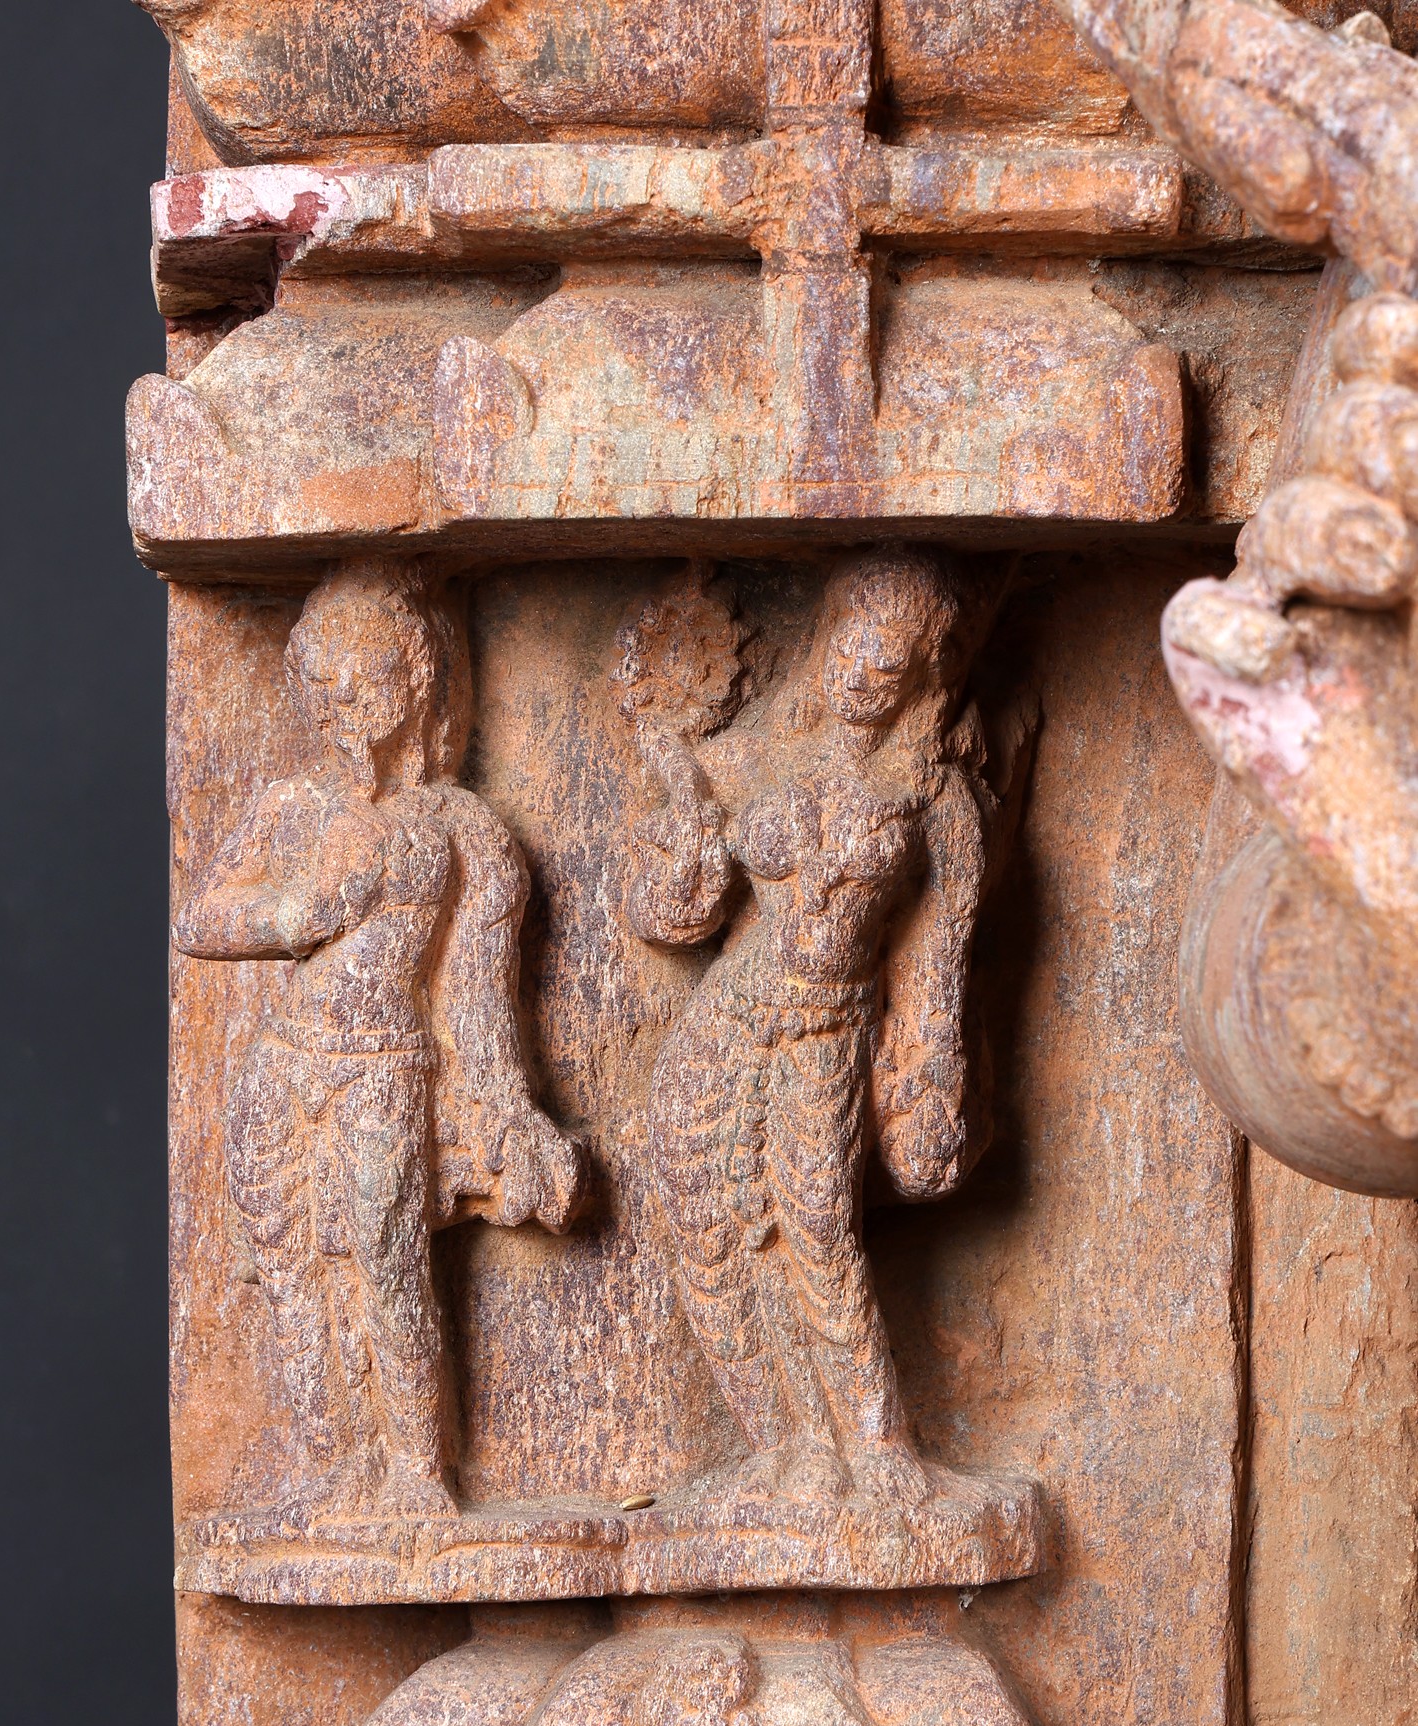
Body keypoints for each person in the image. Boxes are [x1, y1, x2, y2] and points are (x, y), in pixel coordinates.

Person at [175, 558, 584, 1520]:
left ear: (414, 682)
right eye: (321, 685)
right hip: (283, 1065)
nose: (340, 705)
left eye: (361, 682)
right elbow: (199, 920)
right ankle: (332, 1471)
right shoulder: (292, 809)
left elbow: (477, 996)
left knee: (384, 1258)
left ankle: (415, 1476)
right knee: (290, 1268)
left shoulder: (460, 831)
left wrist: (508, 1110)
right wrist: (298, 913)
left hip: (385, 1070)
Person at [618, 549, 1011, 1511]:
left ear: (923, 677)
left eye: (889, 662)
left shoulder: (935, 799)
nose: (861, 674)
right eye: (850, 647)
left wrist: (931, 1071)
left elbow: (937, 965)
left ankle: (878, 1446)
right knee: (709, 1228)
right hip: (726, 1020)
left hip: (829, 1030)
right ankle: (785, 1446)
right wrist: (683, 845)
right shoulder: (754, 758)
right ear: (826, 639)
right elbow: (671, 916)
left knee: (819, 1229)